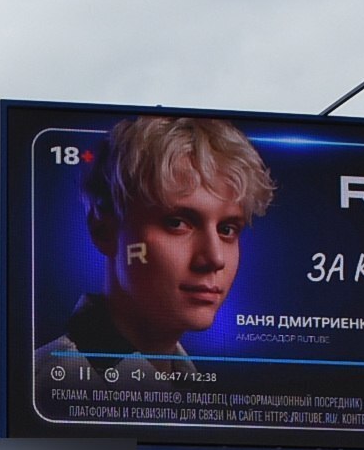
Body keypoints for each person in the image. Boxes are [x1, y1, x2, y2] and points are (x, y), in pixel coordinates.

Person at [37, 114, 277, 383]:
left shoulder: (195, 390)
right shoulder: (46, 387)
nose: (214, 258)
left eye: (227, 229)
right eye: (177, 223)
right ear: (103, 230)